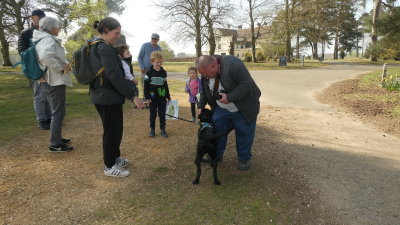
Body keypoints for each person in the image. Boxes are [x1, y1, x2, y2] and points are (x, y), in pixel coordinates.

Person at [89, 17, 144, 177]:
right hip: (106, 97)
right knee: (112, 131)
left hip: (104, 95)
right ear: (106, 30)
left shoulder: (96, 44)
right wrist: (133, 96)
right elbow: (115, 75)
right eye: (116, 33)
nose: (118, 36)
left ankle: (115, 158)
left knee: (115, 129)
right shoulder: (104, 48)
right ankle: (109, 166)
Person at [196, 55, 261, 171]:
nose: (204, 76)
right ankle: (216, 155)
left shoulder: (232, 64)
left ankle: (244, 158)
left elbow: (247, 84)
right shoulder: (205, 73)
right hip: (222, 109)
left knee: (244, 132)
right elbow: (204, 91)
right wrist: (201, 106)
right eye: (203, 74)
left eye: (206, 74)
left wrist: (229, 97)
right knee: (217, 131)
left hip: (243, 107)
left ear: (213, 66)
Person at [32, 17, 73, 152]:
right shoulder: (48, 39)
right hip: (54, 81)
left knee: (57, 111)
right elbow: (46, 56)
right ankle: (55, 144)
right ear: (52, 28)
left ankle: (57, 138)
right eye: (57, 27)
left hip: (48, 80)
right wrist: (62, 67)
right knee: (58, 112)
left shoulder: (42, 38)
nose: (59, 29)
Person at [18, 9, 52, 130]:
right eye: (39, 19)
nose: (42, 21)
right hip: (35, 68)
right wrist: (36, 48)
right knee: (39, 95)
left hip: (47, 67)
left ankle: (49, 117)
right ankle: (42, 120)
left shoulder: (46, 31)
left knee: (48, 93)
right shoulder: (25, 33)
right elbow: (21, 51)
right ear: (32, 18)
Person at [144, 51, 171, 138]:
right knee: (153, 115)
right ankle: (152, 130)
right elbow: (146, 87)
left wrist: (168, 96)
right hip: (152, 99)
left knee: (162, 115)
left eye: (160, 62)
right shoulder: (148, 73)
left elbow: (165, 85)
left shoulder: (164, 73)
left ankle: (162, 129)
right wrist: (147, 97)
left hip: (162, 98)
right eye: (156, 62)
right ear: (152, 62)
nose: (158, 64)